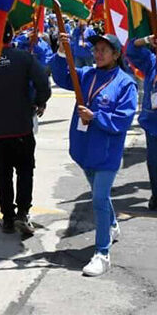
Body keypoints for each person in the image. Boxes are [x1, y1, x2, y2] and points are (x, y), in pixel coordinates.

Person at [52, 33, 137, 276]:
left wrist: (96, 117)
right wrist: (61, 51)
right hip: (84, 149)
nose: (98, 54)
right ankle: (111, 225)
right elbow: (61, 77)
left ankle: (102, 253)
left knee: (99, 199)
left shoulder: (125, 83)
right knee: (98, 195)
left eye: (103, 50)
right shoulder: (88, 73)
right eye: (96, 49)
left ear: (116, 54)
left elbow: (123, 119)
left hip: (107, 154)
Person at [0, 23, 51, 236]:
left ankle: (7, 217)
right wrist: (39, 101)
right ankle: (22, 213)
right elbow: (43, 82)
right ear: (11, 35)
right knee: (25, 170)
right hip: (21, 126)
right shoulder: (23, 58)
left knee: (2, 174)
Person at [126, 34, 157, 211]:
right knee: (154, 163)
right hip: (152, 123)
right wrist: (146, 40)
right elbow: (131, 50)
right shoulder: (151, 61)